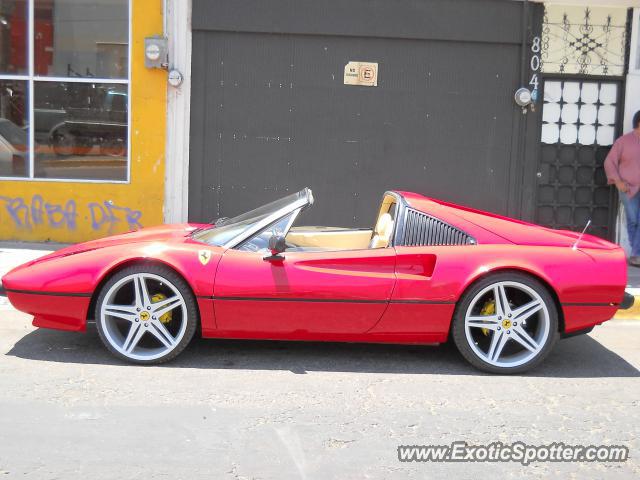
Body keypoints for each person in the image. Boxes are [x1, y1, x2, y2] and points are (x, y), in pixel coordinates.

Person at [605, 110, 640, 266]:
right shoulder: (623, 142)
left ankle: (636, 254)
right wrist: (618, 181)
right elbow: (609, 162)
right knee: (633, 221)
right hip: (627, 187)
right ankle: (636, 254)